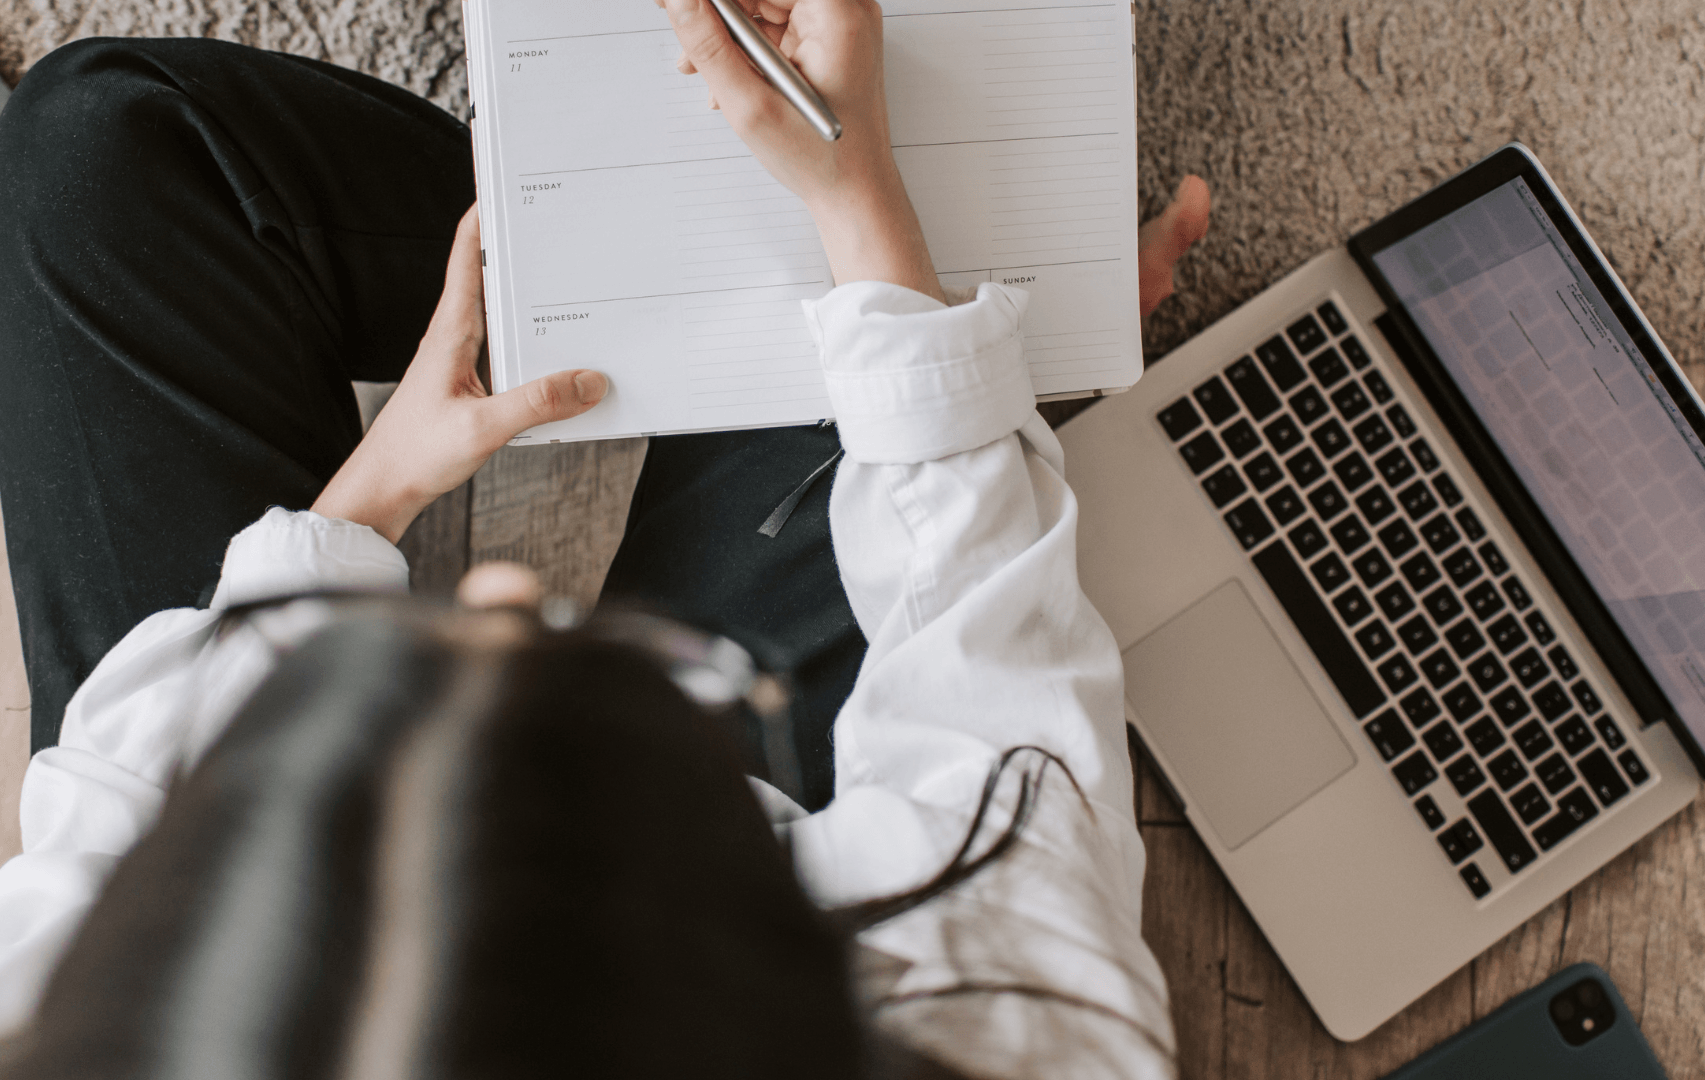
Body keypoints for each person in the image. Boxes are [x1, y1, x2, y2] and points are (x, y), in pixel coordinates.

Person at [0, 0, 1212, 1070]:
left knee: (97, 149)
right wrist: (871, 213)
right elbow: (995, 704)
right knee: (891, 342)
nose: (501, 591)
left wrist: (375, 492)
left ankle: (596, 231)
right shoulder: (1008, 1022)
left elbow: (121, 794)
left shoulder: (61, 1013)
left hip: (193, 817)